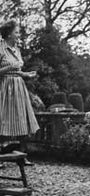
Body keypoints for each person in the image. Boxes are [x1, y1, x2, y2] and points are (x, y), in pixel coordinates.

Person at [0, 20, 40, 165]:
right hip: (4, 87)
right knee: (4, 120)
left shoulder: (17, 49)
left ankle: (22, 156)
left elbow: (17, 69)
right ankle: (0, 157)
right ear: (9, 34)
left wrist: (26, 74)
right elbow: (9, 68)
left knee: (23, 119)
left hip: (19, 87)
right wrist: (9, 67)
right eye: (16, 32)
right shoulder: (0, 48)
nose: (18, 35)